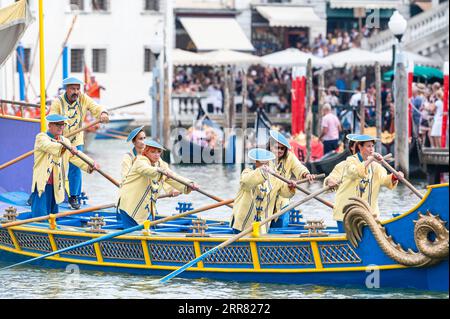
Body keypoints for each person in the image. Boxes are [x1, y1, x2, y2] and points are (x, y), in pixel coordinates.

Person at [49, 76, 109, 209]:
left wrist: (103, 113)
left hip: (76, 140)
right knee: (52, 166)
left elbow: (96, 108)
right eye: (72, 89)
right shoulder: (57, 102)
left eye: (77, 89)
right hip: (60, 139)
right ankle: (39, 193)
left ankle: (74, 196)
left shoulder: (83, 98)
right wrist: (58, 136)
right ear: (66, 89)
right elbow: (52, 119)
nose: (76, 92)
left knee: (75, 169)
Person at [327, 135, 403, 233]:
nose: (371, 149)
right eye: (368, 146)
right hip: (347, 213)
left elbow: (385, 180)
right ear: (358, 147)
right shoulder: (347, 163)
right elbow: (353, 173)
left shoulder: (376, 167)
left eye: (372, 146)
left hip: (369, 214)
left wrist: (395, 177)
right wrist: (330, 181)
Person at [117, 140, 198, 228]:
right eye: (153, 152)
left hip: (146, 208)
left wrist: (189, 184)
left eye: (159, 152)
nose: (156, 155)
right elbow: (148, 170)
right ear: (146, 152)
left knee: (146, 232)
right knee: (134, 236)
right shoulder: (139, 161)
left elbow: (172, 176)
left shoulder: (160, 163)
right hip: (130, 206)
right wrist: (161, 171)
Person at [30, 114, 98, 218]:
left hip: (56, 184)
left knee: (53, 215)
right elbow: (50, 146)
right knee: (40, 215)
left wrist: (90, 164)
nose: (61, 127)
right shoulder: (41, 137)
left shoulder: (65, 141)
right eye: (58, 125)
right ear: (50, 125)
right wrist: (67, 147)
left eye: (63, 125)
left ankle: (52, 232)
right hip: (42, 184)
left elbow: (75, 157)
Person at [230, 148, 296, 235]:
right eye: (261, 163)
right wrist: (262, 171)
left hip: (262, 227)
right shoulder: (247, 173)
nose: (265, 165)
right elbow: (246, 183)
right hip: (242, 225)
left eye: (266, 163)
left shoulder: (275, 178)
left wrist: (290, 186)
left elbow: (285, 193)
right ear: (256, 162)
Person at [268, 130, 315, 227]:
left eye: (283, 149)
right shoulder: (264, 158)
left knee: (280, 224)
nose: (280, 150)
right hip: (266, 198)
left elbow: (299, 167)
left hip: (283, 197)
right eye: (277, 148)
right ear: (271, 147)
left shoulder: (290, 157)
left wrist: (306, 174)